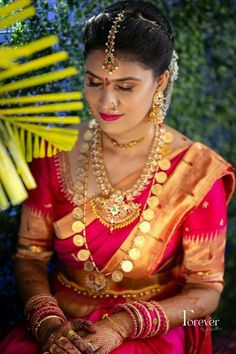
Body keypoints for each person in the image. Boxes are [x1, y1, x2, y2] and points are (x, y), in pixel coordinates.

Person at [0, 1, 235, 353]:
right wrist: (49, 323)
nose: (105, 101)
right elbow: (31, 256)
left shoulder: (198, 173)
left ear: (161, 82)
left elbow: (206, 291)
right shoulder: (55, 151)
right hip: (63, 320)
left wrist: (122, 324)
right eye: (94, 82)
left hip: (152, 325)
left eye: (125, 87)